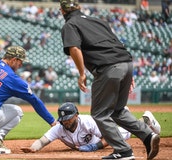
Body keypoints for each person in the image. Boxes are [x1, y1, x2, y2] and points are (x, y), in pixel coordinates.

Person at [58, 1, 160, 159]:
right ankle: (148, 135)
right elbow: (118, 44)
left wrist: (81, 73)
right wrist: (128, 73)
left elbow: (74, 48)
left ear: (62, 11)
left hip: (108, 68)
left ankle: (123, 151)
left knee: (99, 113)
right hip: (126, 63)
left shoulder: (70, 25)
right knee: (117, 111)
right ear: (79, 7)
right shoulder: (98, 21)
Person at [21, 102, 161, 153]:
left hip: (105, 136)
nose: (65, 122)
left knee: (126, 132)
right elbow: (43, 141)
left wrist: (95, 147)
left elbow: (108, 137)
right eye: (63, 120)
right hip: (94, 138)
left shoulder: (87, 121)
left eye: (68, 118)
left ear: (76, 115)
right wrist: (33, 148)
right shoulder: (59, 128)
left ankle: (146, 119)